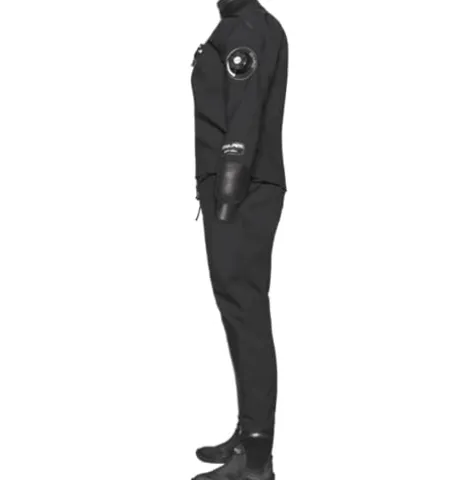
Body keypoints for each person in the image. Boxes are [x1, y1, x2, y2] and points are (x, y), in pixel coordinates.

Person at [191, 0, 288, 478]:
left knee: (244, 310)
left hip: (241, 185)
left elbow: (244, 112)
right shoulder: (251, 25)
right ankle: (249, 434)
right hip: (244, 182)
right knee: (240, 309)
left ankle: (255, 460)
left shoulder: (244, 29)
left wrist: (229, 189)